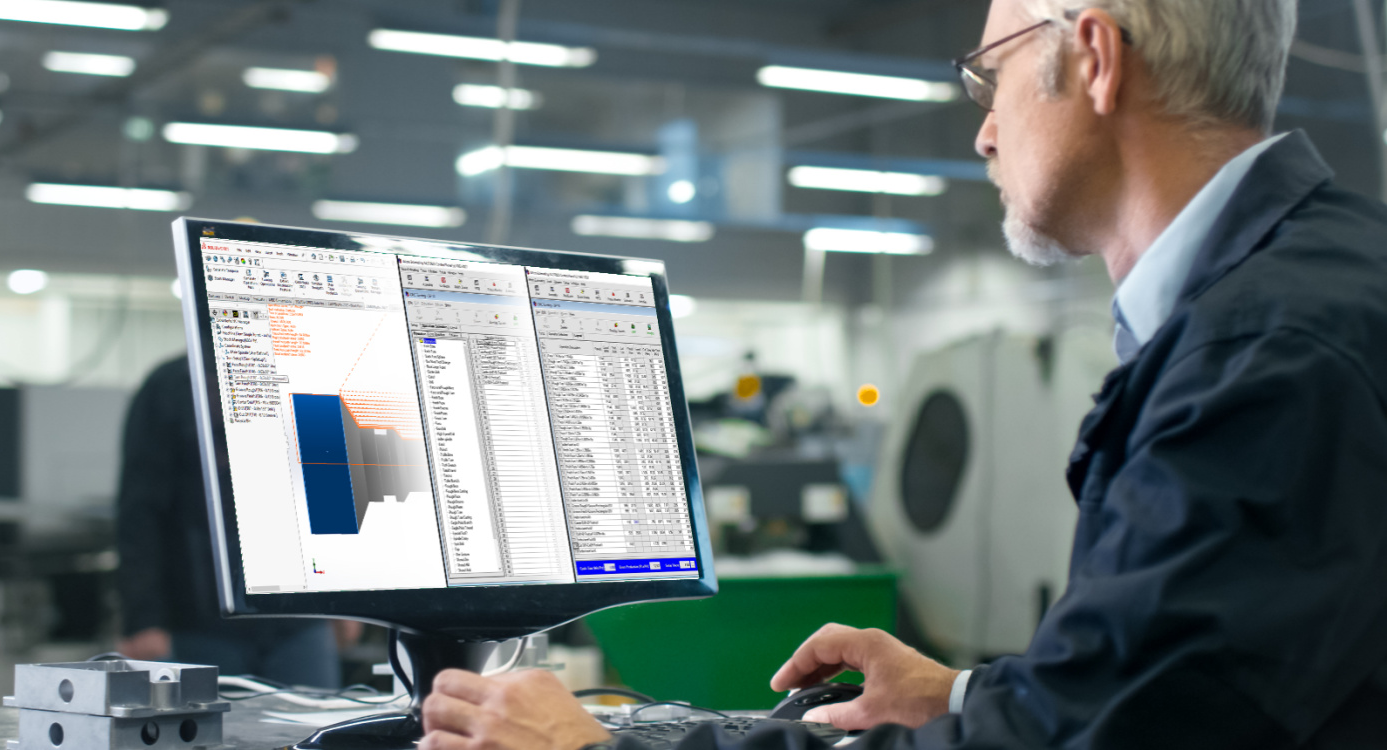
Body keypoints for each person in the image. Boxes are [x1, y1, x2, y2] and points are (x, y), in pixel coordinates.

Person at [415, 0, 1387, 747]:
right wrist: (954, 695)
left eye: (991, 77)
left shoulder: (1265, 353)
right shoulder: (1299, 292)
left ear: (1094, 58)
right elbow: (1152, 693)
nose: (984, 130)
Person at [116, 356, 356, 686]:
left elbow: (328, 491)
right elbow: (140, 512)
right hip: (202, 623)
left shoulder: (303, 377)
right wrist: (143, 618)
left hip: (300, 621)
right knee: (214, 733)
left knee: (313, 728)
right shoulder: (170, 386)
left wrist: (343, 601)